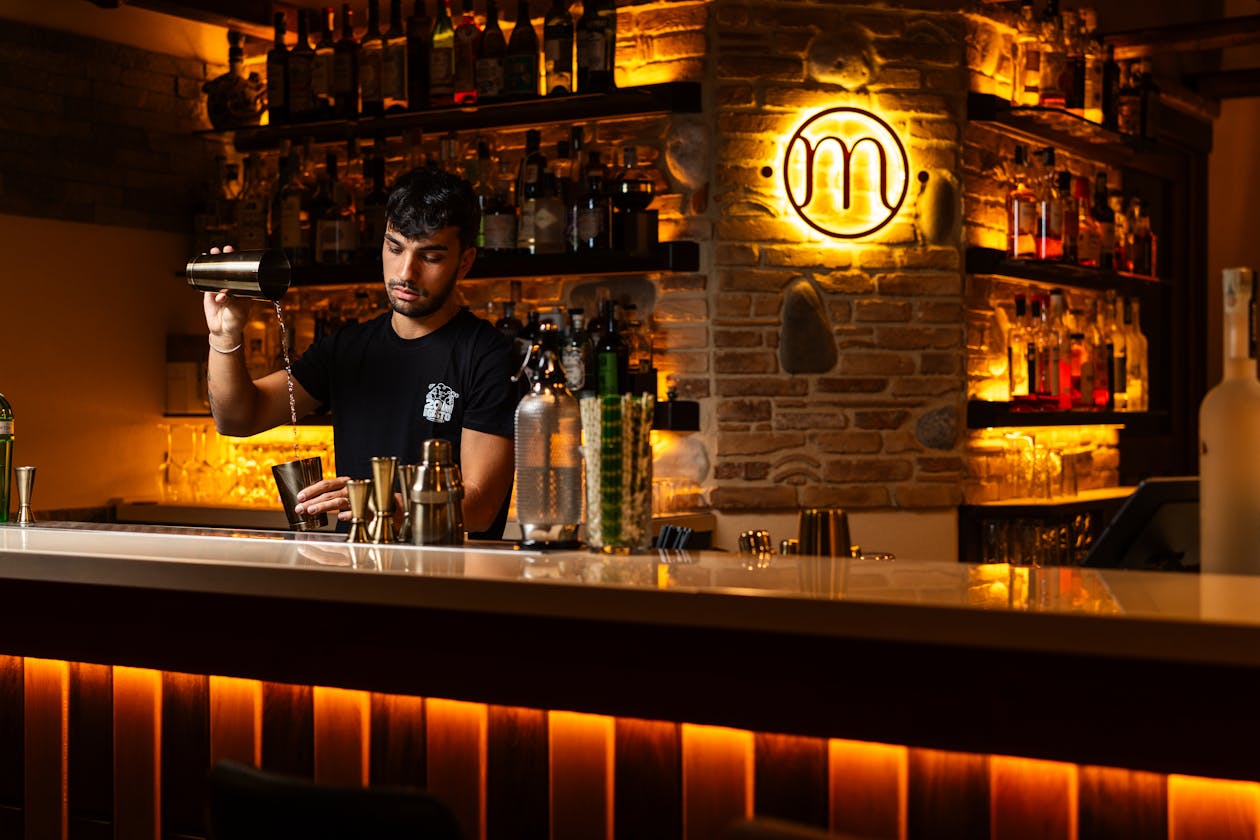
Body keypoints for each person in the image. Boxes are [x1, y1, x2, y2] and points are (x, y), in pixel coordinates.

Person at [204, 166, 517, 537]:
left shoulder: (489, 358)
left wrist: (382, 505)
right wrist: (224, 336)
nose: (406, 272)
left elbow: (480, 506)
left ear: (464, 262)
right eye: (395, 248)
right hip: (354, 568)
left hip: (445, 571)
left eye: (430, 257)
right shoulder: (346, 348)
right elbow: (238, 418)